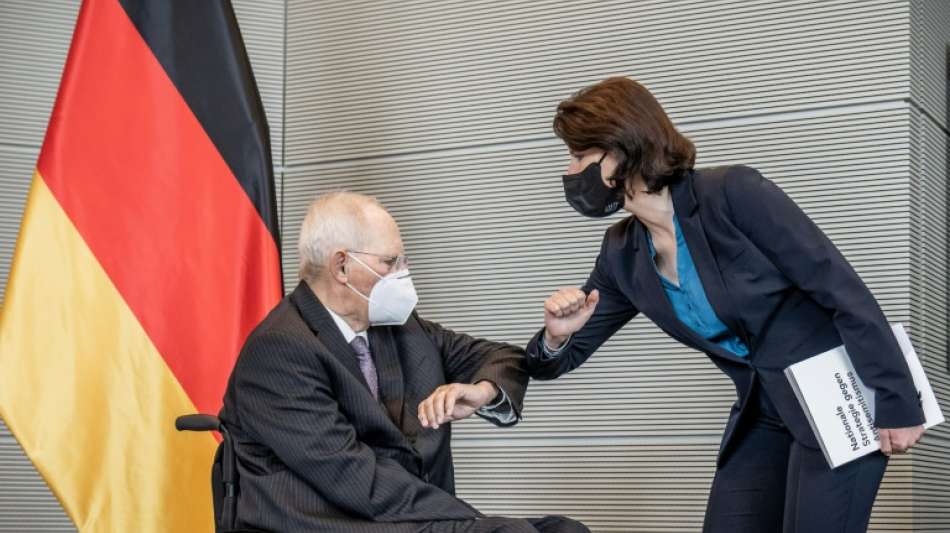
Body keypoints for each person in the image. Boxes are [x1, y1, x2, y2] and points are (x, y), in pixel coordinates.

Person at [526, 77, 925, 533]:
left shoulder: (732, 193)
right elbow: (557, 360)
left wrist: (896, 398)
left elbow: (837, 286)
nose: (571, 169)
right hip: (762, 412)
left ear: (620, 146)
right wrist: (557, 336)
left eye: (579, 155)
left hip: (837, 398)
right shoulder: (621, 253)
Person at [219, 192, 589, 533]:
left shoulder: (399, 328)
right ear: (342, 266)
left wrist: (482, 391)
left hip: (404, 513)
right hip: (339, 519)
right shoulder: (280, 350)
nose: (404, 273)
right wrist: (475, 519)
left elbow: (503, 358)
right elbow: (355, 479)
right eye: (391, 261)